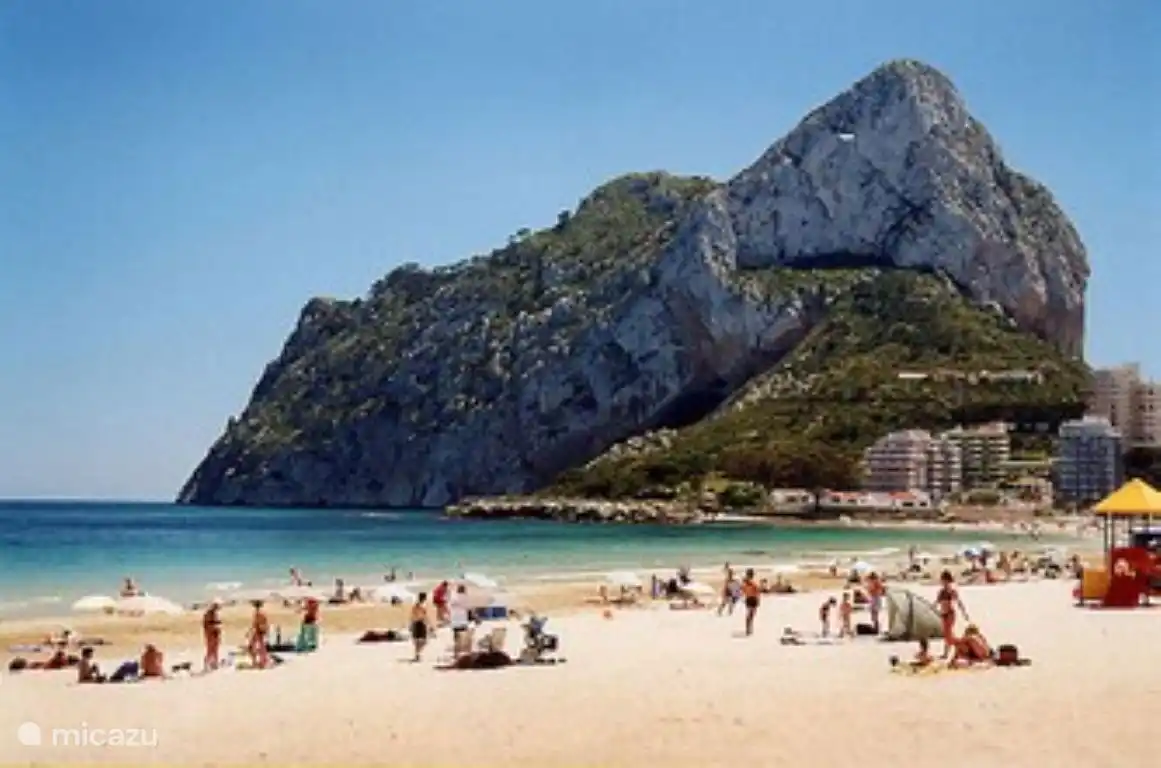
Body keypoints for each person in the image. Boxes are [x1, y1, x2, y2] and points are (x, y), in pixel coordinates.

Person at [936, 570, 969, 659]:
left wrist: (964, 613)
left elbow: (959, 602)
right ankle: (946, 653)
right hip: (943, 614)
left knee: (948, 635)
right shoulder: (941, 592)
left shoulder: (951, 591)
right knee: (947, 635)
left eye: (943, 580)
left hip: (950, 614)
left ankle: (961, 645)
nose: (942, 582)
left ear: (947, 580)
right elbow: (937, 602)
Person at [449, 585, 471, 657]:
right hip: (463, 620)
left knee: (456, 638)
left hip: (455, 621)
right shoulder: (466, 598)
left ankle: (456, 654)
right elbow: (468, 608)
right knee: (463, 637)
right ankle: (463, 653)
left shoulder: (453, 597)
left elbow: (450, 606)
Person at [247, 600, 270, 669]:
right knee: (259, 647)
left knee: (254, 647)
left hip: (258, 631)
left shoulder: (258, 613)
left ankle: (258, 662)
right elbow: (262, 623)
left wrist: (250, 631)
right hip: (259, 631)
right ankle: (261, 662)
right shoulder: (261, 613)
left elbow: (255, 623)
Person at [202, 598, 223, 672]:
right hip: (210, 634)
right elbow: (207, 625)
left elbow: (218, 622)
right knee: (210, 649)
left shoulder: (216, 613)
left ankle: (215, 664)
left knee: (216, 649)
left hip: (216, 633)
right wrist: (215, 627)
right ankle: (207, 664)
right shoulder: (209, 614)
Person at [410, 592, 431, 662]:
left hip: (416, 622)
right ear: (424, 598)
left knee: (418, 641)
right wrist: (428, 623)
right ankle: (418, 654)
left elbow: (413, 615)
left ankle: (417, 654)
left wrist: (412, 623)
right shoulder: (422, 606)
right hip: (421, 623)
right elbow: (425, 615)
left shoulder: (416, 605)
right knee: (423, 640)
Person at [740, 568, 760, 636]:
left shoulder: (748, 583)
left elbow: (756, 592)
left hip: (751, 599)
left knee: (750, 615)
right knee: (750, 615)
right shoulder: (750, 583)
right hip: (751, 599)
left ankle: (749, 628)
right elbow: (757, 592)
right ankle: (748, 629)